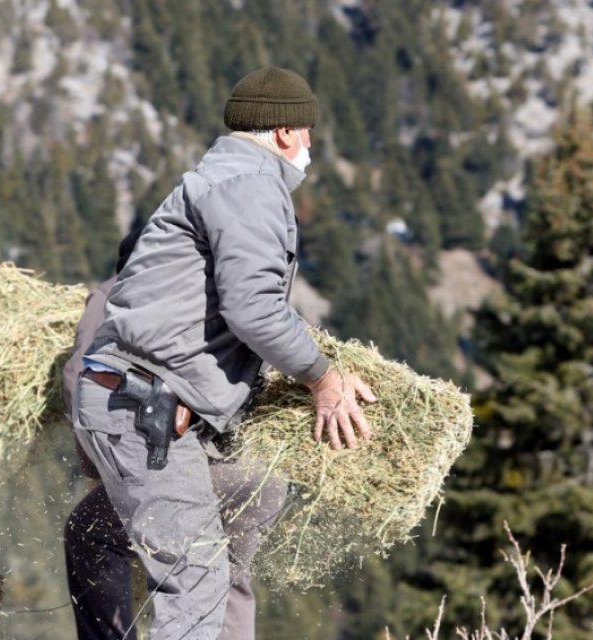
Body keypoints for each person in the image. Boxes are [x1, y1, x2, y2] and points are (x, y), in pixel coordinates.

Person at [72, 66, 378, 639]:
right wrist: (322, 377)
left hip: (137, 407)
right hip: (145, 412)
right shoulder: (251, 185)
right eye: (308, 131)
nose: (310, 145)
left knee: (108, 539)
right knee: (196, 578)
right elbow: (254, 309)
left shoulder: (221, 175)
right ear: (286, 132)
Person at [62, 231, 287, 640]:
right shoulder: (231, 293)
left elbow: (78, 372)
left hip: (194, 466)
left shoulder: (119, 296)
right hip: (262, 473)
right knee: (226, 573)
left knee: (89, 531)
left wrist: (98, 466)